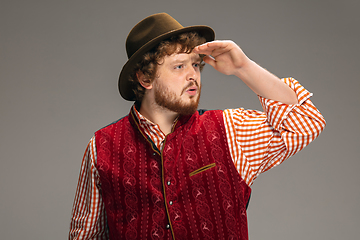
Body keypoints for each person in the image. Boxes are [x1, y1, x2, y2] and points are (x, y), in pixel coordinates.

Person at [69, 13, 326, 240]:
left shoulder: (230, 130)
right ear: (145, 78)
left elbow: (306, 121)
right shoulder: (101, 148)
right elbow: (85, 235)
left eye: (195, 64)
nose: (192, 75)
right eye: (179, 66)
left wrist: (242, 67)